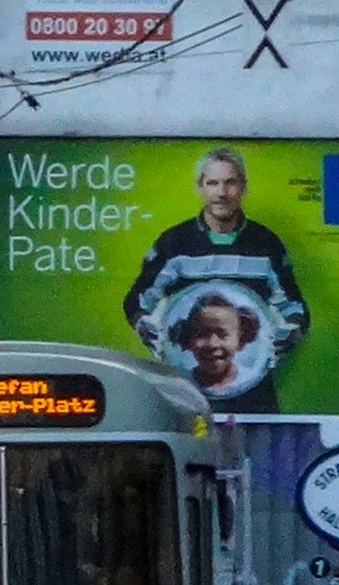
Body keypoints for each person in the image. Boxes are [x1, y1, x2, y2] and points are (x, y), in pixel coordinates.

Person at [121, 146, 312, 412]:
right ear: (200, 187)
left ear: (243, 187)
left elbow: (295, 308)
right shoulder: (174, 243)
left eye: (230, 182)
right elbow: (136, 301)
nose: (221, 193)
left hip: (253, 391)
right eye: (213, 183)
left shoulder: (266, 243)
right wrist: (145, 325)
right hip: (186, 389)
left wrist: (291, 331)